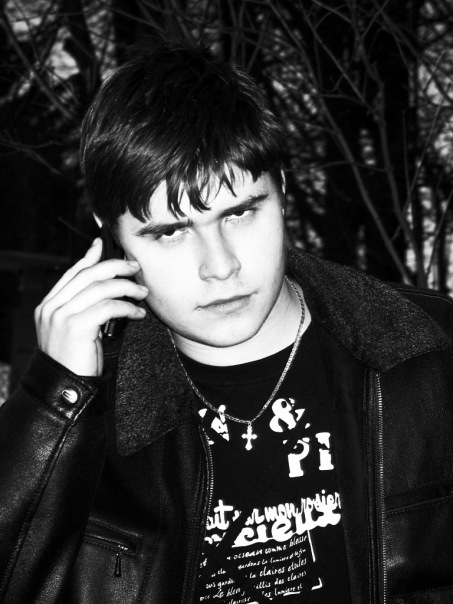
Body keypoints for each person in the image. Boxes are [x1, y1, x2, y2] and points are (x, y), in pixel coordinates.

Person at [0, 38, 453, 604]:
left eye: (239, 213)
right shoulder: (89, 416)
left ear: (281, 191)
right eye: (169, 232)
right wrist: (54, 402)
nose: (220, 267)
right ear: (109, 230)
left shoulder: (429, 354)